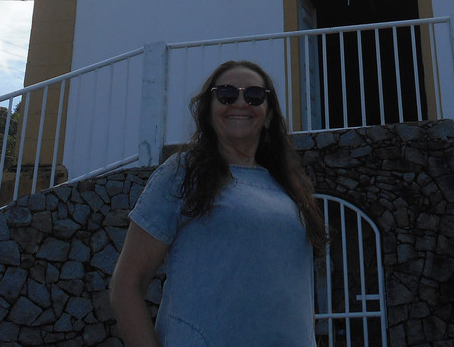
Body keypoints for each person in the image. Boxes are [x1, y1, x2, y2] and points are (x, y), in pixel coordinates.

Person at [110, 60, 327, 347]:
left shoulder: (288, 188)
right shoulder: (183, 173)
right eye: (226, 94)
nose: (240, 102)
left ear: (269, 114)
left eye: (254, 96)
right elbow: (126, 286)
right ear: (209, 111)